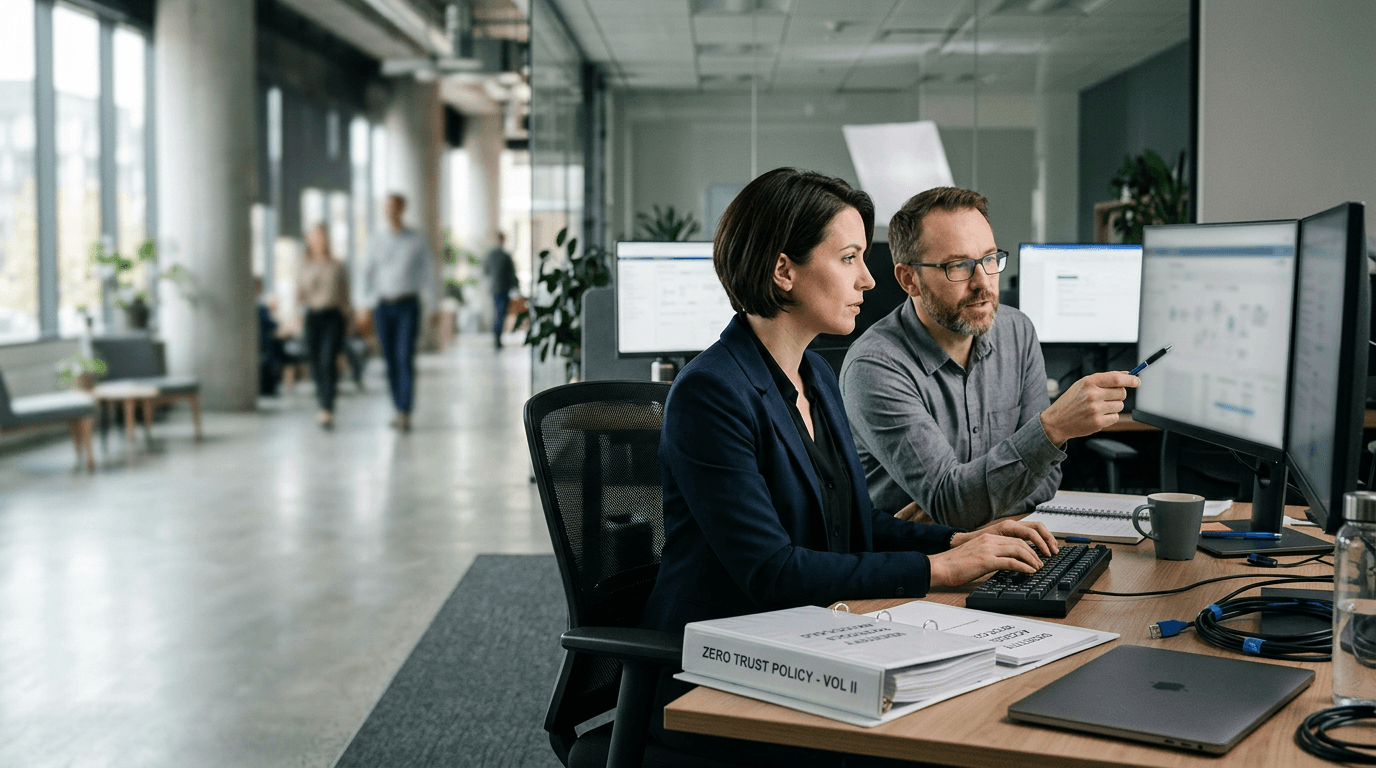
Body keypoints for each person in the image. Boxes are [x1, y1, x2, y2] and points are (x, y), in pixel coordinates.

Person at [641, 168, 1057, 766]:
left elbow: (854, 523)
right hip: (723, 675)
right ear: (783, 271)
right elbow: (772, 572)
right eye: (848, 258)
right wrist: (938, 569)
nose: (868, 278)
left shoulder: (814, 374)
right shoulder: (711, 392)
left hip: (810, 644)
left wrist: (957, 541)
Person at [839, 187, 1140, 530]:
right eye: (958, 266)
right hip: (922, 556)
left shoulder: (1017, 332)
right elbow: (955, 503)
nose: (983, 283)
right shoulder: (874, 366)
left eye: (990, 259)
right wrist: (1052, 428)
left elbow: (1046, 480)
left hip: (1001, 541)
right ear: (910, 280)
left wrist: (961, 508)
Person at [360, 193, 438, 432]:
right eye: (387, 207)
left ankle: (405, 411)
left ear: (402, 209)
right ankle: (397, 407)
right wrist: (364, 305)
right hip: (383, 306)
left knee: (404, 356)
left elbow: (429, 273)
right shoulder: (375, 240)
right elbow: (365, 273)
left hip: (408, 305)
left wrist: (433, 306)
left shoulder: (416, 239)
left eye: (395, 207)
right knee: (390, 359)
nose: (391, 211)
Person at [297, 223, 351, 428]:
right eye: (316, 236)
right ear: (309, 240)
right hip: (312, 316)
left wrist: (350, 320)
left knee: (328, 360)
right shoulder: (304, 264)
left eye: (323, 236)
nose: (320, 240)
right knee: (315, 362)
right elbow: (300, 294)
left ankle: (327, 407)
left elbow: (345, 295)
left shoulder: (337, 265)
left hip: (333, 316)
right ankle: (322, 399)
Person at [482, 231, 518, 349]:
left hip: (494, 288)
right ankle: (497, 339)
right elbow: (512, 274)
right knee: (500, 314)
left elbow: (485, 270)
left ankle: (497, 338)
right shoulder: (505, 256)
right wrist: (516, 287)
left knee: (497, 313)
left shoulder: (491, 255)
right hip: (503, 288)